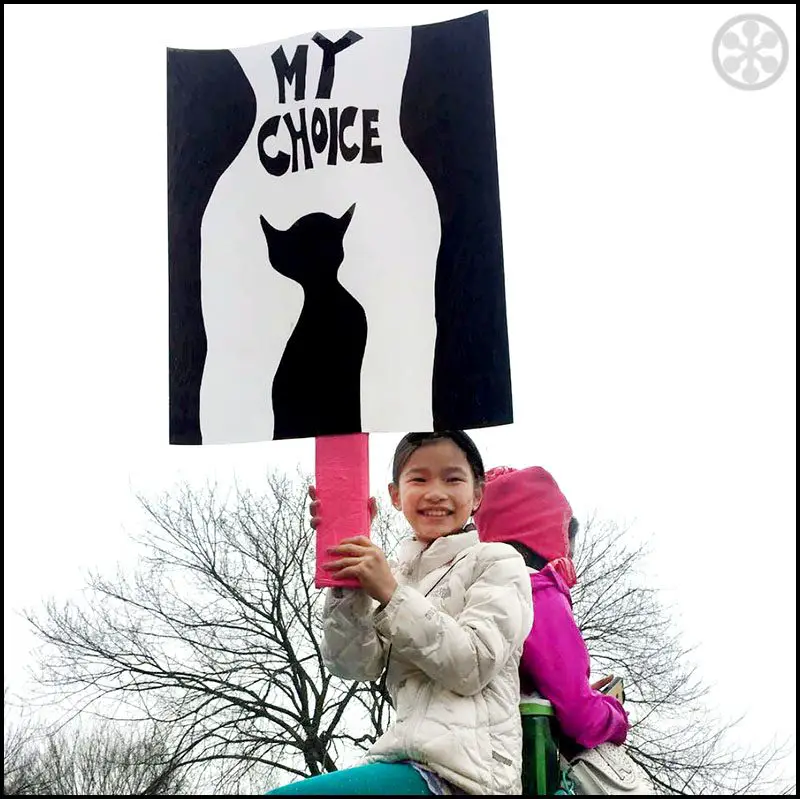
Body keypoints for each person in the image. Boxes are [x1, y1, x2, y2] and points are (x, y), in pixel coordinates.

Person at [267, 431, 534, 795]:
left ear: (477, 495)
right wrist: (349, 573)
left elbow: (473, 663)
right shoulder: (393, 572)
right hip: (402, 760)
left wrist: (391, 593)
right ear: (395, 495)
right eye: (418, 479)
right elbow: (354, 666)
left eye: (452, 478)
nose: (435, 492)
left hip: (469, 777)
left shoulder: (498, 562)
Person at [473, 466, 629, 751]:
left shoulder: (467, 583)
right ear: (547, 535)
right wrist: (615, 714)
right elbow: (581, 717)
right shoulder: (538, 593)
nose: (569, 560)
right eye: (567, 549)